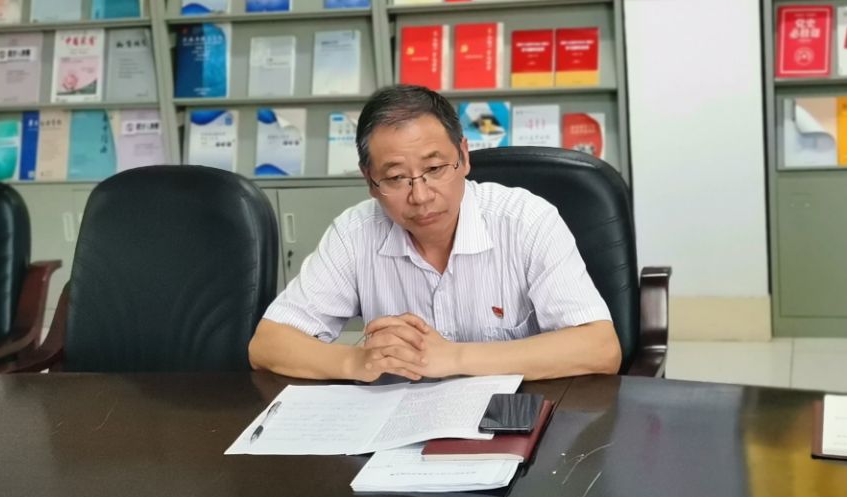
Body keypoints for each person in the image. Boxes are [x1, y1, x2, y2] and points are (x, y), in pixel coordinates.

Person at [248, 85, 621, 381]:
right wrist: (355, 362)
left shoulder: (526, 221)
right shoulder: (354, 233)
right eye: (396, 177)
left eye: (435, 169)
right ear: (370, 180)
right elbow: (268, 344)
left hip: (514, 420)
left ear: (464, 155)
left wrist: (453, 357)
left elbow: (600, 348)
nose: (421, 196)